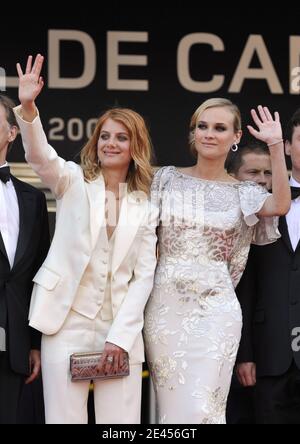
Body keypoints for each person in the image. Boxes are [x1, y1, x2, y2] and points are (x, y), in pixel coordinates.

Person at [14, 54, 158, 424]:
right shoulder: (73, 181)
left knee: (121, 428)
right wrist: (28, 107)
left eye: (121, 137)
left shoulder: (148, 203)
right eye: (105, 136)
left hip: (119, 328)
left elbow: (144, 277)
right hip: (65, 323)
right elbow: (39, 156)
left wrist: (121, 337)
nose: (111, 143)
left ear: (135, 146)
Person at [144, 98, 290, 424]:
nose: (209, 134)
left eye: (220, 128)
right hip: (165, 312)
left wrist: (276, 145)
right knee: (174, 413)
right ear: (193, 133)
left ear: (235, 137)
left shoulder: (243, 192)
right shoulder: (165, 179)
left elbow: (280, 204)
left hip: (216, 314)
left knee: (204, 410)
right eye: (203, 126)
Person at [236, 108, 300, 424]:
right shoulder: (260, 203)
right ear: (287, 146)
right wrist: (244, 352)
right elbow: (246, 282)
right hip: (269, 354)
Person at [0, 94, 50, 424]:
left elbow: (38, 274)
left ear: (11, 133)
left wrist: (34, 343)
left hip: (14, 348)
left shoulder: (32, 198)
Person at [225, 140, 271, 424]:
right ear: (233, 177)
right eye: (253, 172)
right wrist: (245, 354)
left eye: (268, 173)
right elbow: (243, 293)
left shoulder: (273, 220)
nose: (262, 181)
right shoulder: (221, 223)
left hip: (272, 359)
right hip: (227, 352)